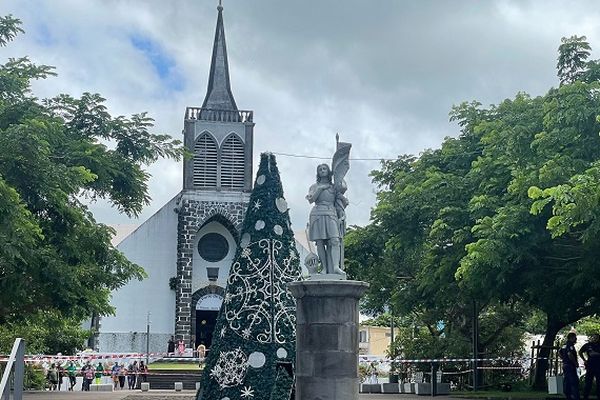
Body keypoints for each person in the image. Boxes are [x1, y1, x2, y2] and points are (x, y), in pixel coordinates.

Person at [306, 163, 348, 275]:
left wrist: (341, 213)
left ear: (328, 171)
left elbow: (339, 201)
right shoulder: (314, 187)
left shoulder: (334, 187)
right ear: (318, 172)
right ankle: (324, 268)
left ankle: (335, 267)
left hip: (331, 213)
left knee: (335, 240)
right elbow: (311, 199)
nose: (322, 170)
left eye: (324, 168)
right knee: (320, 242)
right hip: (317, 213)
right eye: (320, 169)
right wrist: (320, 189)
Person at [579, 333, 600, 400]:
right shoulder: (588, 345)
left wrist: (597, 354)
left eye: (596, 338)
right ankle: (585, 396)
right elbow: (580, 352)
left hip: (598, 365)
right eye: (594, 337)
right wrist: (584, 360)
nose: (595, 339)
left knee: (599, 382)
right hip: (590, 365)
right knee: (588, 382)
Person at [560, 332, 580, 400]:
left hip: (565, 365)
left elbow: (559, 353)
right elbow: (570, 354)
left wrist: (564, 359)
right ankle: (576, 396)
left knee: (567, 381)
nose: (576, 339)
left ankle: (568, 395)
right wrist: (575, 363)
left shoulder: (564, 345)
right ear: (572, 338)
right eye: (575, 338)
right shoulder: (570, 345)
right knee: (574, 381)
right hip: (570, 365)